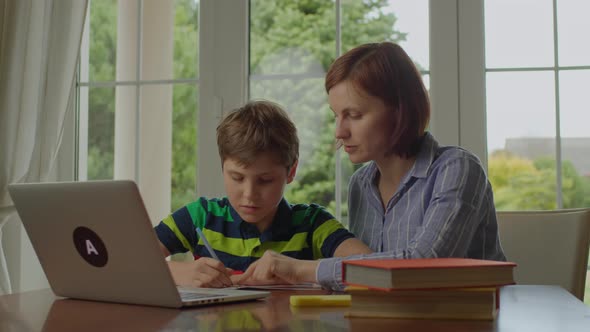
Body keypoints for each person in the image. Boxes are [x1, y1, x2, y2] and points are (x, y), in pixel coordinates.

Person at [236, 42, 506, 290]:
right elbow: (365, 278)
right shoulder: (361, 184)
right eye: (336, 116)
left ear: (400, 110)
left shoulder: (456, 169)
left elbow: (426, 264)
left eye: (354, 115)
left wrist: (300, 269)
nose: (339, 132)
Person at [155, 100, 372, 288]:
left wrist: (299, 270)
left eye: (265, 180)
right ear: (223, 167)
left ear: (291, 171)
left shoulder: (312, 223)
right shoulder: (199, 216)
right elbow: (127, 261)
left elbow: (374, 269)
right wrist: (178, 272)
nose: (249, 194)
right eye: (237, 178)